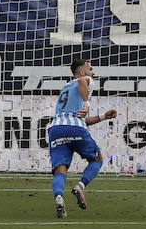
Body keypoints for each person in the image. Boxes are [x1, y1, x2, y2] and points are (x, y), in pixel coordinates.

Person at [47, 57, 118, 219]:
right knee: (97, 159)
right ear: (81, 70)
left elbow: (79, 117)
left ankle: (59, 198)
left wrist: (102, 117)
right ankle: (80, 186)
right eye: (90, 68)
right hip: (75, 129)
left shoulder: (66, 87)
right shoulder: (85, 80)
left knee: (60, 170)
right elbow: (82, 82)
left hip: (56, 129)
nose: (93, 72)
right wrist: (87, 103)